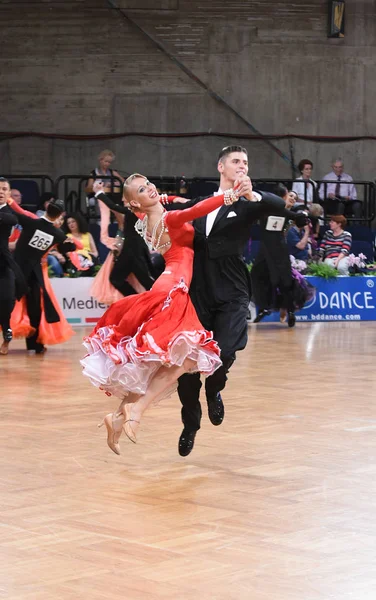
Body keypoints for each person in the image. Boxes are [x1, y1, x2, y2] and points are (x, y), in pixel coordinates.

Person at [81, 174, 247, 455]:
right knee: (186, 358)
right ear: (135, 201)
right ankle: (136, 411)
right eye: (144, 189)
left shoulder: (146, 220)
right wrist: (231, 195)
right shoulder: (170, 219)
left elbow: (171, 203)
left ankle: (119, 418)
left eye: (150, 184)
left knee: (156, 364)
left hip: (166, 283)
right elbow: (196, 210)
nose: (152, 189)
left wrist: (165, 198)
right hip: (175, 289)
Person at [163, 146, 288, 456]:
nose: (241, 166)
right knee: (188, 368)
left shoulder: (249, 205)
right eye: (236, 161)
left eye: (245, 162)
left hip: (232, 289)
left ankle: (215, 388)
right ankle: (190, 423)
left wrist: (253, 196)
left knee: (226, 349)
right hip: (198, 291)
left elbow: (278, 207)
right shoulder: (200, 204)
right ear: (221, 166)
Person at [7, 197, 78, 353]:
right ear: (60, 215)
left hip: (16, 269)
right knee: (34, 309)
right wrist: (70, 242)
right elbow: (70, 247)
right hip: (34, 274)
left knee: (6, 303)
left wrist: (9, 200)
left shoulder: (31, 222)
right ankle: (35, 345)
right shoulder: (57, 233)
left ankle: (11, 343)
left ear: (47, 209)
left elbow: (16, 212)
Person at [251, 184, 310, 327]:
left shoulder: (268, 210)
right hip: (274, 249)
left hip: (270, 249)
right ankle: (274, 308)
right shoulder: (282, 211)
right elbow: (299, 218)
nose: (291, 198)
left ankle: (276, 309)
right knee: (277, 280)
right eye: (289, 195)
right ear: (283, 196)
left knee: (273, 279)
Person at [91, 181, 160, 298]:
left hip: (135, 250)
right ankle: (137, 300)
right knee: (116, 279)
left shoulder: (137, 209)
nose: (123, 200)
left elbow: (113, 207)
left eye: (125, 198)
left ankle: (161, 301)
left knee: (147, 282)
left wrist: (99, 193)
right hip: (131, 250)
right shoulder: (138, 209)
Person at [0, 178, 25, 355]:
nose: (0, 192)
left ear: (9, 194)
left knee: (7, 300)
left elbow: (11, 219)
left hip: (3, 264)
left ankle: (6, 334)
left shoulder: (9, 214)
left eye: (4, 189)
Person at [85, 149, 124, 217]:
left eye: (109, 162)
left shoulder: (113, 172)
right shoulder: (94, 173)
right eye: (106, 161)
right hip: (97, 197)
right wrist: (97, 185)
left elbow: (122, 181)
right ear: (100, 160)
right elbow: (88, 188)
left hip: (111, 196)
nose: (107, 164)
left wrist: (113, 184)